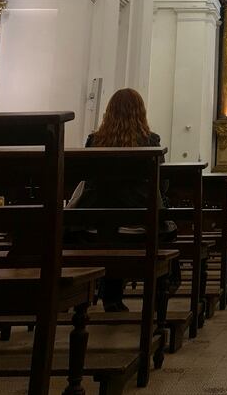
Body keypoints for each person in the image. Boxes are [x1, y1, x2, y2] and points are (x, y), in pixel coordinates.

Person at [67, 88, 175, 312]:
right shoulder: (150, 141)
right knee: (158, 226)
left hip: (94, 225)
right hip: (140, 224)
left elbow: (86, 178)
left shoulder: (94, 141)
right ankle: (159, 288)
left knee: (111, 230)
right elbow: (162, 184)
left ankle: (111, 295)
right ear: (140, 112)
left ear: (109, 112)